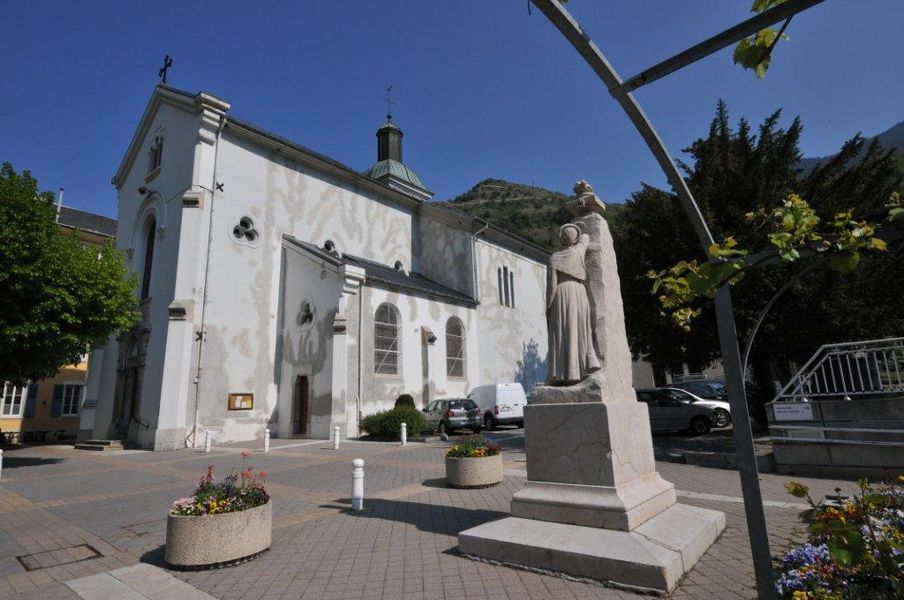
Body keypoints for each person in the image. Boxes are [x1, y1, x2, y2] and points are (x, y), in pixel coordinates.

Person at [547, 223, 601, 385]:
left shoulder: (554, 257)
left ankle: (564, 373)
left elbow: (551, 286)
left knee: (563, 332)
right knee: (581, 329)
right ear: (575, 238)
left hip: (561, 293)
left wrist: (548, 307)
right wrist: (579, 232)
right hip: (579, 291)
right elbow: (586, 237)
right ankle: (586, 364)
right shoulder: (579, 250)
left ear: (561, 238)